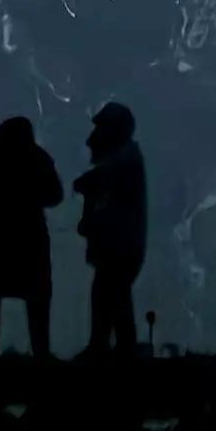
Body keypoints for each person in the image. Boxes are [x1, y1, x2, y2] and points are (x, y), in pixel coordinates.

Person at [0, 116, 63, 362]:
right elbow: (55, 195)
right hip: (29, 238)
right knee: (36, 298)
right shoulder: (37, 158)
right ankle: (41, 352)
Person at [74, 100, 147, 355]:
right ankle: (111, 347)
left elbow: (101, 179)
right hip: (117, 245)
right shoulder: (122, 158)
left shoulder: (124, 158)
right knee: (112, 296)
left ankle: (106, 348)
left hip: (120, 245)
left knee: (110, 294)